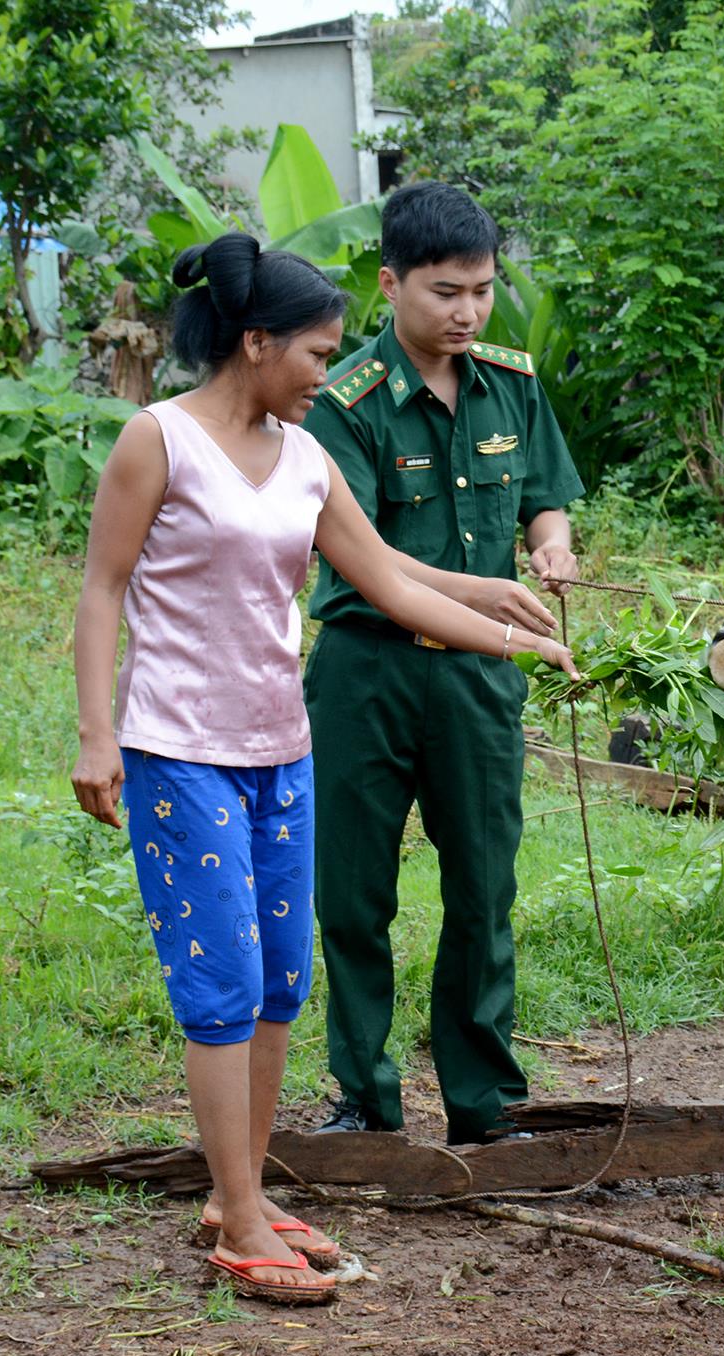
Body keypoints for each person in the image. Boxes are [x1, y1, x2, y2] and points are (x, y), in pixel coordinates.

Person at [70, 233, 576, 1303]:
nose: (325, 372)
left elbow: (388, 577)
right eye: (314, 353)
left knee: (281, 984)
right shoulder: (155, 441)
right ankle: (241, 1219)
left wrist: (508, 629)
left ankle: (236, 1190)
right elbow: (102, 589)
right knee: (223, 984)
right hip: (179, 749)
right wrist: (96, 734)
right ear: (255, 344)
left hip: (279, 751)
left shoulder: (305, 457)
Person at [299, 182, 586, 1146]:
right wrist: (483, 594)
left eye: (483, 290)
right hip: (366, 672)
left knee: (482, 886)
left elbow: (545, 494)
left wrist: (553, 545)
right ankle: (364, 1099)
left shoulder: (513, 381)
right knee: (353, 892)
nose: (468, 313)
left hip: (477, 679)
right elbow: (364, 559)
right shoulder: (345, 403)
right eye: (445, 292)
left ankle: (482, 1101)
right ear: (389, 286)